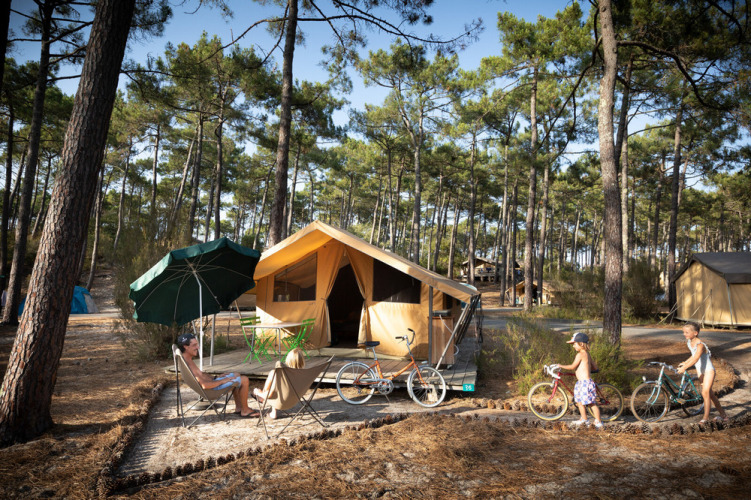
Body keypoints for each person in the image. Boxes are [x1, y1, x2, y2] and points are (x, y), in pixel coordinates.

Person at [176, 333, 258, 418]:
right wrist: (222, 380)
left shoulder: (187, 360)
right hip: (212, 390)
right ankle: (245, 410)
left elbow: (201, 375)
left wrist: (216, 377)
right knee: (244, 379)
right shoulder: (188, 365)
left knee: (236, 374)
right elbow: (205, 385)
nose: (198, 347)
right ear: (186, 346)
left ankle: (239, 407)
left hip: (213, 383)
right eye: (194, 345)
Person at [676, 322, 729, 424]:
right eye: (683, 332)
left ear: (695, 333)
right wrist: (685, 362)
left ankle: (705, 418)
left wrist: (685, 367)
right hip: (700, 372)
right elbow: (693, 355)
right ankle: (724, 415)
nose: (684, 334)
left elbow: (696, 358)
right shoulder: (689, 342)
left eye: (687, 332)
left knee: (705, 393)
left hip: (709, 371)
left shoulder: (700, 345)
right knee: (711, 395)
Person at [554, 331, 603, 429]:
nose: (573, 346)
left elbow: (572, 366)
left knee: (591, 403)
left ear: (581, 344)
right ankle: (584, 419)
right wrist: (587, 368)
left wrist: (560, 365)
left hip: (585, 383)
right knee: (579, 402)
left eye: (574, 344)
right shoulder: (587, 354)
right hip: (581, 383)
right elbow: (595, 367)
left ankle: (598, 421)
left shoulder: (580, 354)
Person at [252, 348, 306, 419]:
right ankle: (263, 398)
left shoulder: (278, 374)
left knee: (273, 382)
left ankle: (268, 405)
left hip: (280, 402)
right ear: (302, 361)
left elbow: (270, 394)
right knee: (277, 389)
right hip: (294, 401)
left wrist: (258, 392)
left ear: (288, 360)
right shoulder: (304, 374)